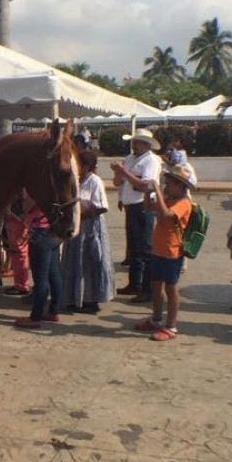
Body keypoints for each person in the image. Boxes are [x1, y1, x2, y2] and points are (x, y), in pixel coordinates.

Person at [132, 165, 194, 341]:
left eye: (169, 184)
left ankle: (171, 326)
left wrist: (158, 192)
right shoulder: (168, 199)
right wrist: (148, 192)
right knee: (156, 285)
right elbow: (148, 207)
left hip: (172, 252)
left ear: (180, 186)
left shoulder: (183, 203)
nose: (166, 187)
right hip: (159, 249)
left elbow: (167, 215)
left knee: (171, 288)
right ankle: (156, 319)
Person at [110, 128, 162, 303]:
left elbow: (144, 186)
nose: (134, 146)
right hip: (131, 205)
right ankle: (135, 284)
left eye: (137, 143)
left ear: (146, 144)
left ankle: (147, 289)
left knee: (145, 248)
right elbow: (119, 183)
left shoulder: (151, 161)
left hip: (143, 206)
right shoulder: (130, 159)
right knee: (133, 247)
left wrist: (124, 172)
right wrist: (118, 174)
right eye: (133, 142)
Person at [59, 150, 114, 314]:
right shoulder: (77, 180)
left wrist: (80, 211)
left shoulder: (95, 181)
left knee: (89, 263)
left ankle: (90, 301)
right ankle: (74, 298)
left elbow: (101, 207)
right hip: (76, 228)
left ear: (87, 166)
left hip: (90, 229)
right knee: (75, 263)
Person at [13, 198, 63, 328]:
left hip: (39, 230)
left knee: (40, 278)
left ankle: (35, 317)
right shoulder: (56, 188)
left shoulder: (37, 189)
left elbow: (27, 206)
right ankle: (54, 311)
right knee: (54, 274)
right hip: (54, 227)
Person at [1, 190, 31, 297]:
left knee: (19, 251)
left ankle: (22, 285)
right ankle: (19, 283)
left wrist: (23, 214)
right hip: (14, 216)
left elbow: (27, 198)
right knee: (16, 252)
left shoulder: (24, 187)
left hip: (18, 217)